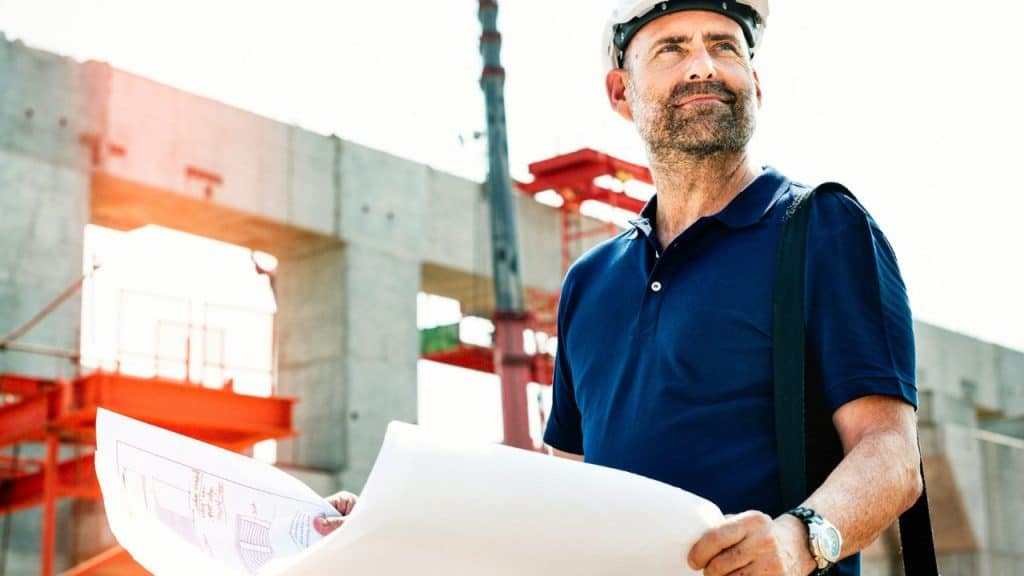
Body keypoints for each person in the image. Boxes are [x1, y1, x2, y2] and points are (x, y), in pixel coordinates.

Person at [542, 1, 922, 575]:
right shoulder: (589, 283)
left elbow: (892, 454)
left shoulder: (824, 228)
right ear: (621, 92)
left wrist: (798, 542)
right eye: (672, 49)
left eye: (724, 46)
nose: (703, 67)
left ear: (756, 82)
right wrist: (390, 525)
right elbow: (561, 490)